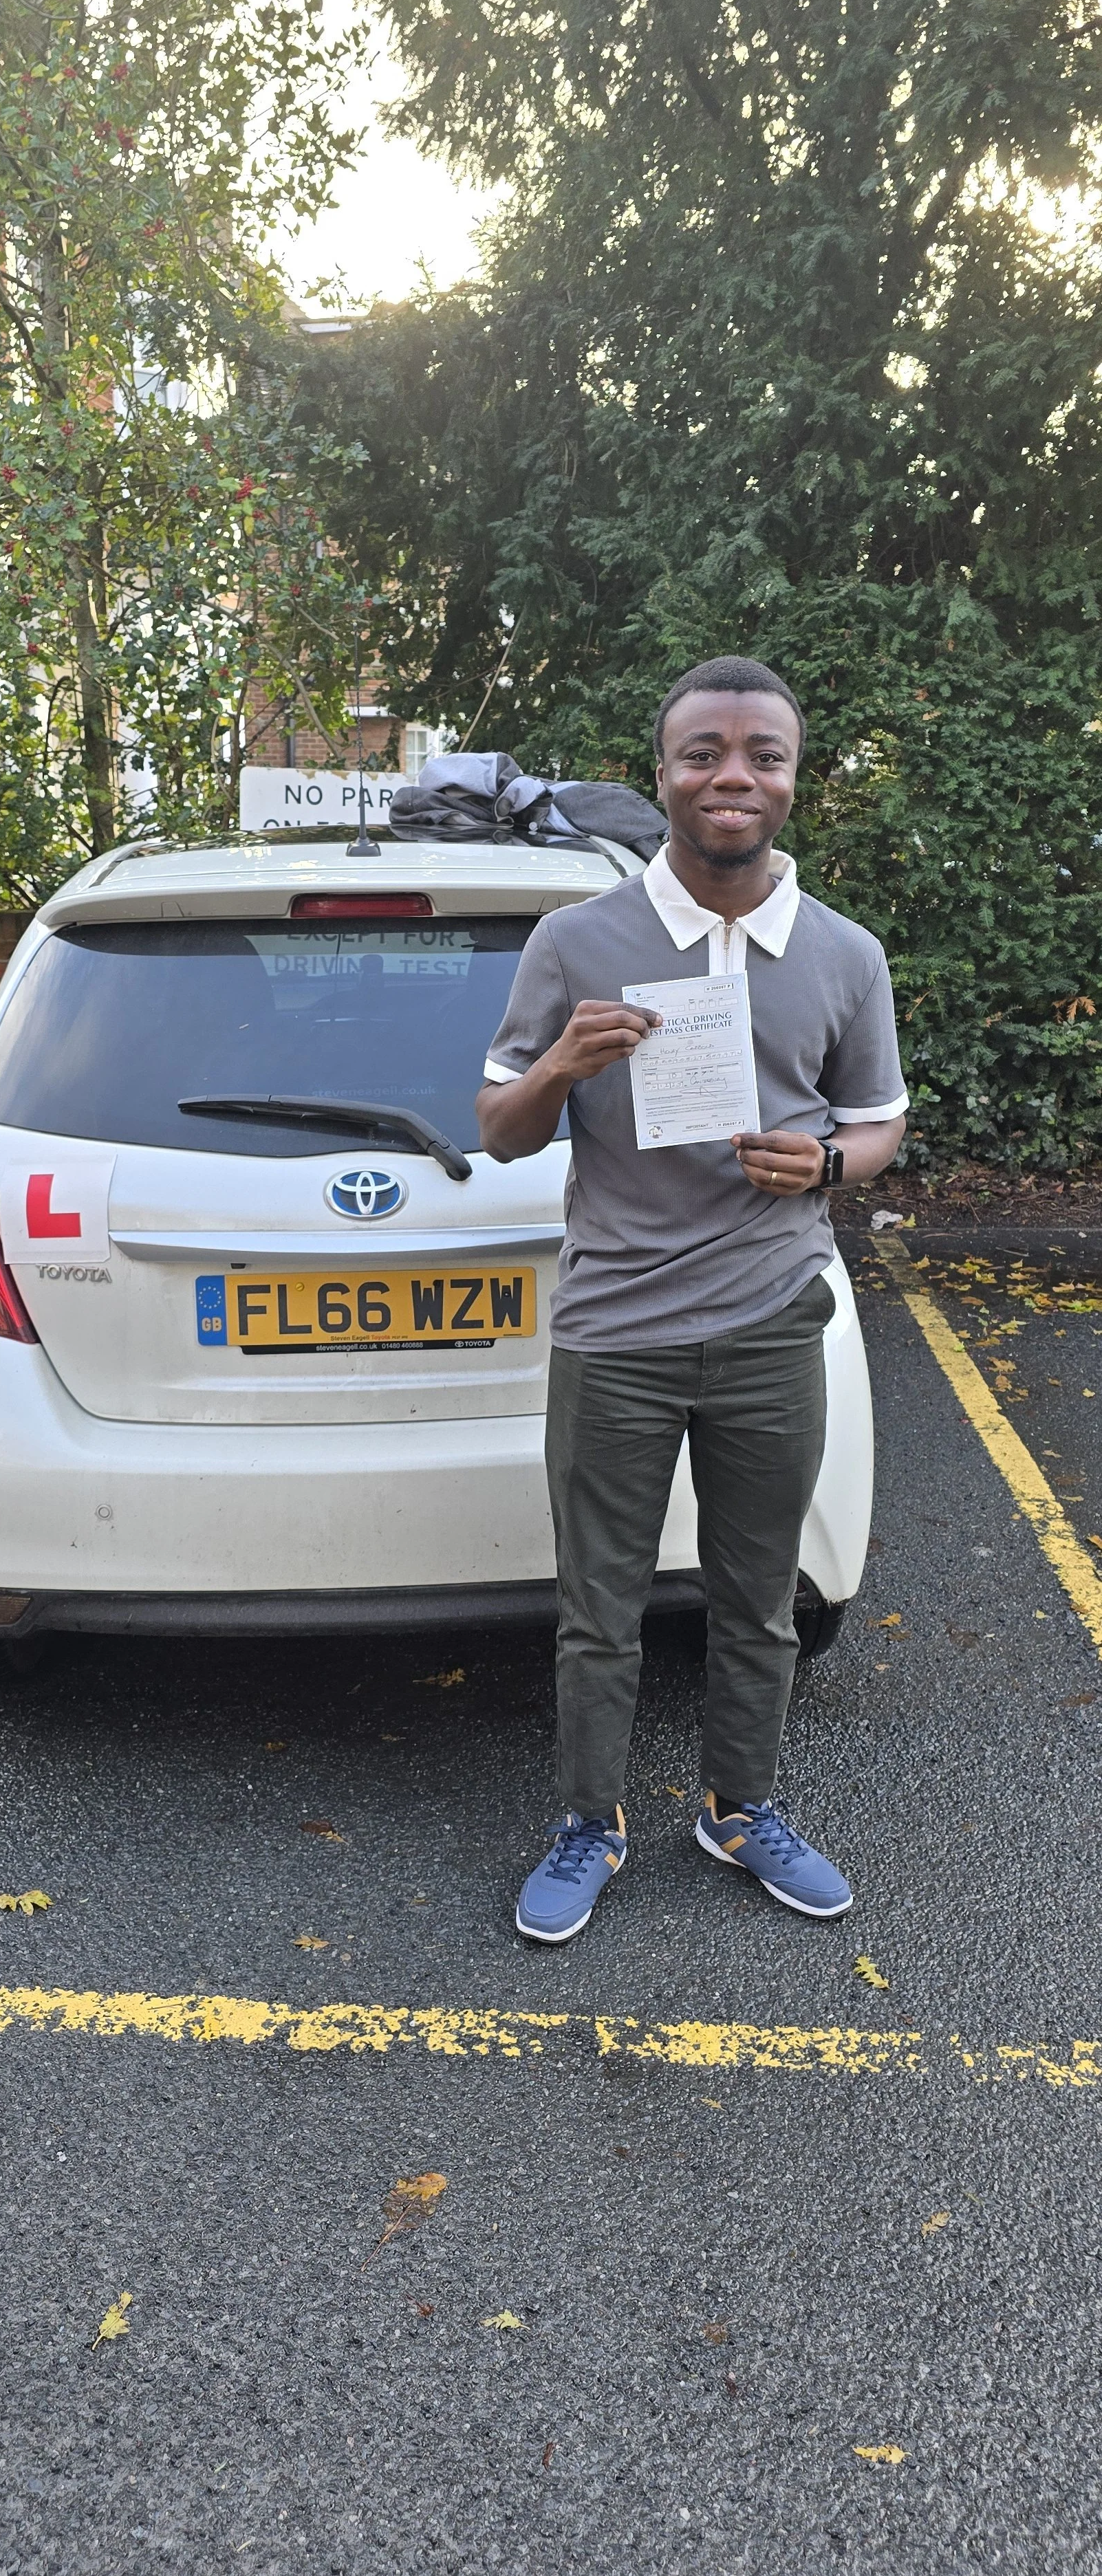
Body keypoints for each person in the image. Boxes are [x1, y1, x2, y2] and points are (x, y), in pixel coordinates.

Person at [477, 656, 907, 1943]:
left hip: (772, 1319)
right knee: (598, 1608)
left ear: (790, 778)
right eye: (704, 752)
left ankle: (741, 1806)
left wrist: (828, 1162)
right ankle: (589, 1820)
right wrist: (561, 1059)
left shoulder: (843, 953)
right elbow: (500, 1130)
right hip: (616, 1332)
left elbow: (880, 1119)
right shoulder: (578, 942)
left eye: (761, 756)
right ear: (662, 771)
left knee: (757, 1596)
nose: (733, 776)